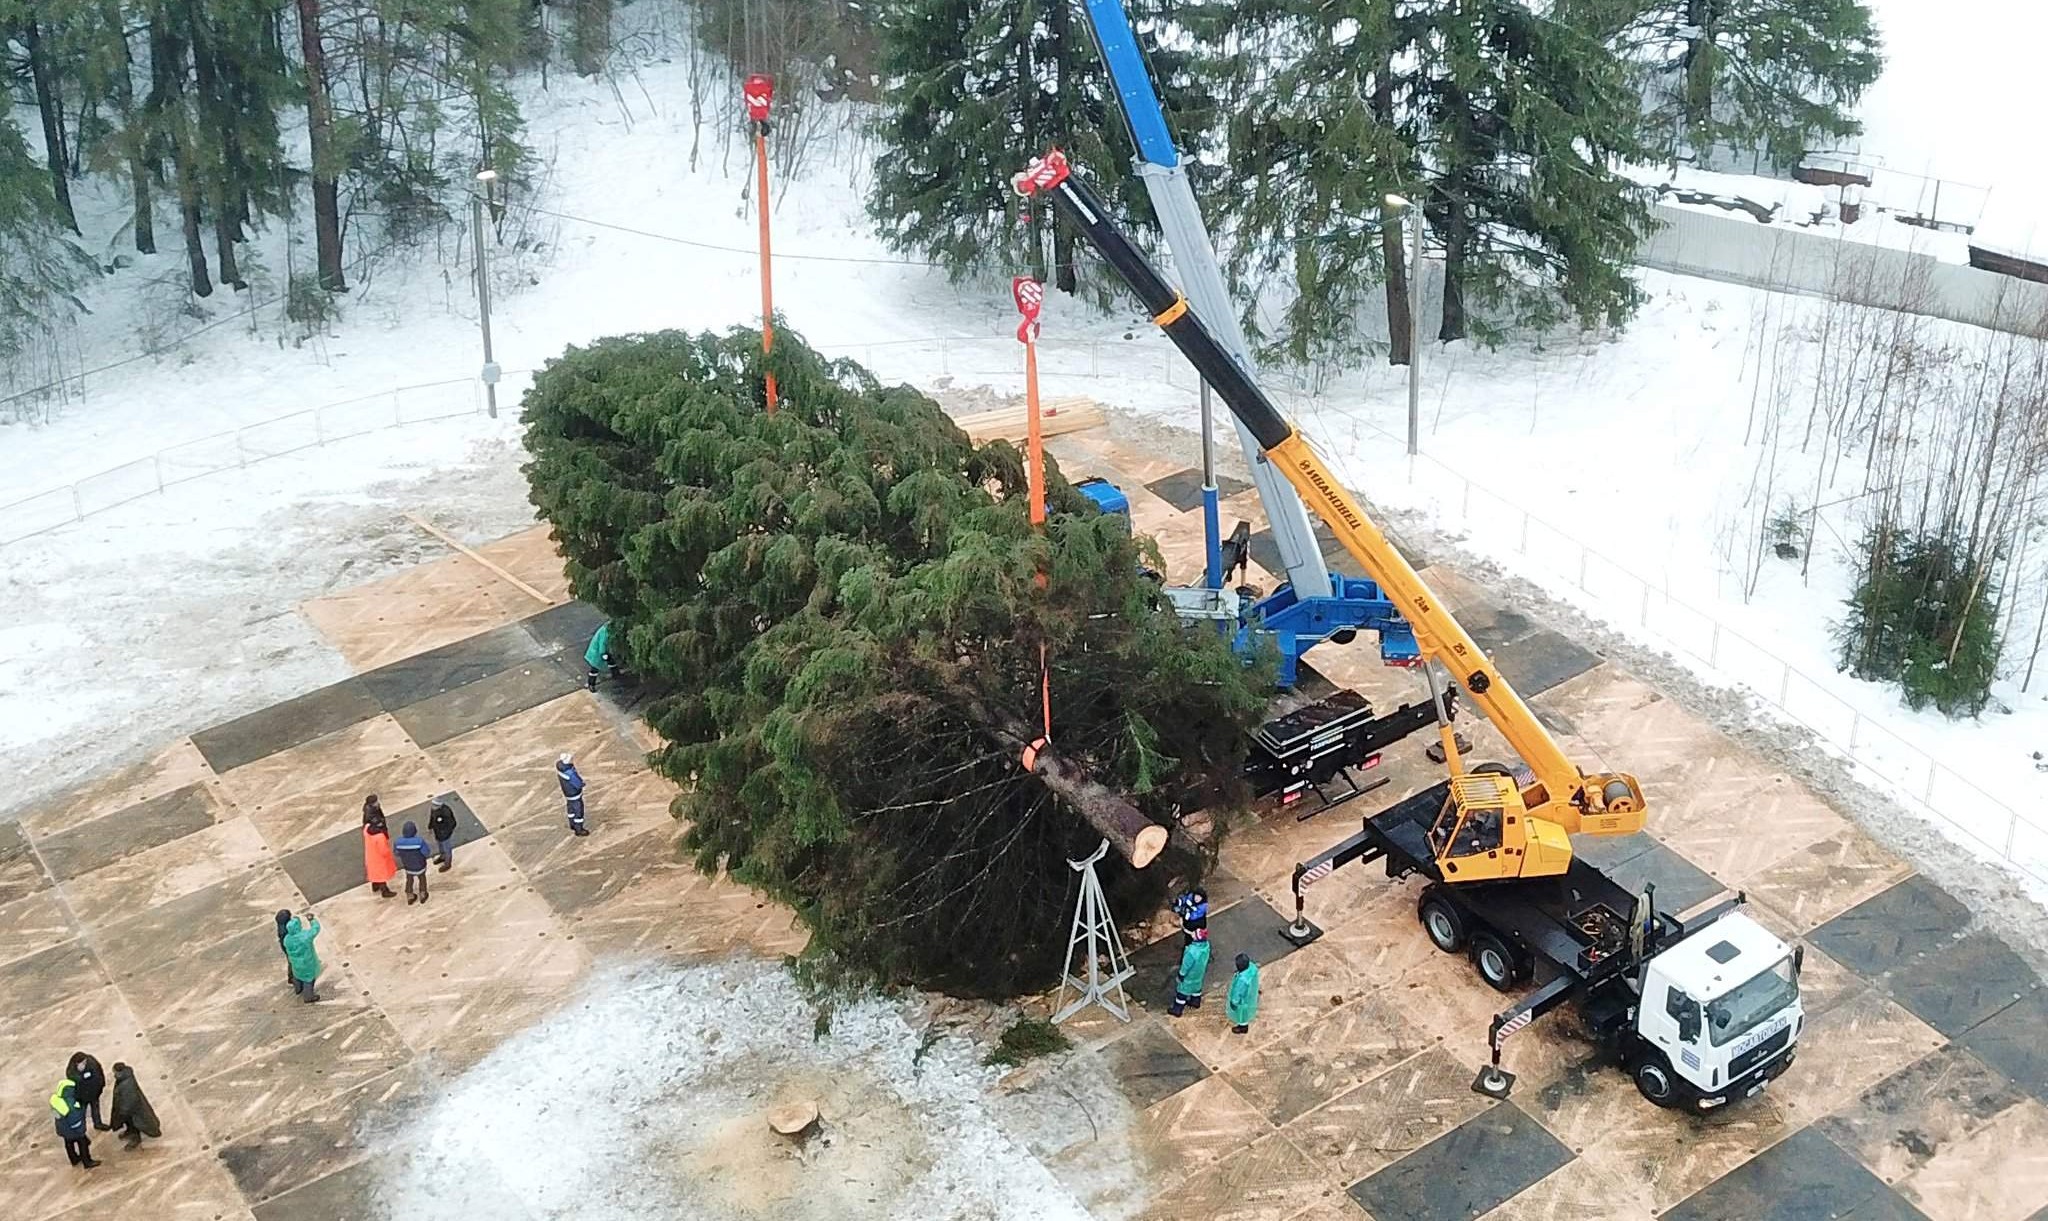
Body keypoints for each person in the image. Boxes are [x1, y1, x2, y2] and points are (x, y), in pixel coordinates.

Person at [107, 1063, 161, 1150]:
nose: (113, 1074)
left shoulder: (126, 1083)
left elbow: (130, 1099)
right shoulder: (124, 1077)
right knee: (129, 1124)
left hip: (131, 1111)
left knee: (134, 1125)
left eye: (114, 1072)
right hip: (126, 1109)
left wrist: (123, 1111)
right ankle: (129, 1132)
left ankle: (135, 1139)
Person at [49, 1070, 97, 1168]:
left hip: (63, 1128)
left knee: (69, 1144)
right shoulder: (71, 1104)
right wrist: (81, 1131)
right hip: (74, 1129)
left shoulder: (56, 1100)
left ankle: (74, 1159)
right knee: (83, 1143)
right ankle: (87, 1161)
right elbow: (75, 1120)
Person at [1168, 929, 1211, 1017]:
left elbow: (1186, 965)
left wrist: (1181, 974)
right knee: (1197, 986)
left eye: (1194, 934)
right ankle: (1195, 1001)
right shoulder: (1206, 946)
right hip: (1200, 972)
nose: (1192, 934)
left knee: (1182, 991)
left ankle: (1177, 1009)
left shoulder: (1191, 951)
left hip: (1190, 975)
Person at [282, 912, 322, 1002]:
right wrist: (312, 920)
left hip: (295, 964)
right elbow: (315, 929)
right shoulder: (304, 936)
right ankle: (308, 997)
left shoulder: (287, 939)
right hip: (307, 964)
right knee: (308, 981)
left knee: (297, 976)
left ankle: (298, 989)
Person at [363, 796, 397, 899]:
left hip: (371, 853)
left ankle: (375, 884)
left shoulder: (367, 830)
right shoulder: (379, 836)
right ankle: (384, 890)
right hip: (379, 856)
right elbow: (384, 851)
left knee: (374, 871)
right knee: (381, 872)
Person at [67, 1052, 110, 1132]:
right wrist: (81, 1077)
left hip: (93, 1092)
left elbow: (99, 1073)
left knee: (95, 1109)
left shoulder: (92, 1062)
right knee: (81, 1111)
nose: (83, 1064)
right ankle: (81, 1127)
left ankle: (98, 1124)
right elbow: (70, 1075)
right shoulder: (72, 1066)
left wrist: (101, 1086)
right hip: (81, 1095)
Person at [392, 821, 432, 903]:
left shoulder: (398, 842)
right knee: (422, 879)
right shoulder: (419, 841)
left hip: (408, 866)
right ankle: (423, 893)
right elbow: (426, 852)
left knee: (409, 880)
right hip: (420, 865)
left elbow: (396, 853)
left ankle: (409, 894)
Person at [1227, 953, 1261, 1035]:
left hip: (1244, 1000)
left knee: (1242, 1014)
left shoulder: (1242, 980)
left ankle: (1243, 1027)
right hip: (1251, 993)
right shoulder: (1252, 967)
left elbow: (1238, 992)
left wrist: (1234, 1002)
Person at [557, 752, 589, 836]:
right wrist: (582, 784)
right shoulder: (570, 773)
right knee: (578, 810)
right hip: (574, 794)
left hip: (567, 793)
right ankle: (579, 829)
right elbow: (578, 783)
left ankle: (572, 824)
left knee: (570, 808)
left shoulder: (560, 767)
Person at [584, 621, 621, 693]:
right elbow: (602, 644)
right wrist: (604, 654)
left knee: (612, 663)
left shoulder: (607, 629)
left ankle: (616, 675)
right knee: (594, 669)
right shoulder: (605, 632)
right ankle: (591, 684)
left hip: (602, 651)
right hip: (596, 653)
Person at [427, 798, 458, 872]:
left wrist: (446, 832)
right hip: (437, 832)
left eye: (435, 805)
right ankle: (442, 857)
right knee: (440, 846)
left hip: (445, 834)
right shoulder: (434, 810)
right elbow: (432, 818)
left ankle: (447, 864)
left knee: (447, 849)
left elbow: (453, 823)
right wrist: (430, 827)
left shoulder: (446, 811)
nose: (433, 806)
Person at [275, 908, 295, 987]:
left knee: (291, 961)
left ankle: (292, 977)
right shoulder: (285, 930)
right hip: (288, 947)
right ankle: (291, 978)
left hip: (285, 946)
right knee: (292, 961)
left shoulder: (281, 926)